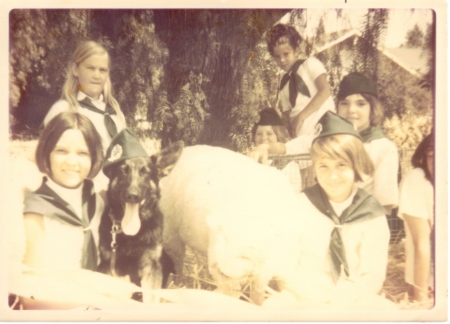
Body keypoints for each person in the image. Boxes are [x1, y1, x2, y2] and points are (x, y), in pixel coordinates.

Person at [249, 72, 399, 214]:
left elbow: (384, 204)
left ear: (373, 108)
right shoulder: (327, 137)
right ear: (337, 107)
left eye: (361, 104)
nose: (352, 110)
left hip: (362, 224)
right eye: (345, 104)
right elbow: (288, 148)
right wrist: (265, 146)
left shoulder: (383, 147)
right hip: (326, 219)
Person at [287, 111, 392, 307]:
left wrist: (352, 295)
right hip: (305, 297)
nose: (333, 176)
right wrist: (307, 293)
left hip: (352, 298)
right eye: (323, 166)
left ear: (356, 165)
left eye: (341, 165)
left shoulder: (371, 214)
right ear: (314, 167)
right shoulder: (301, 205)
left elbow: (373, 274)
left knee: (386, 309)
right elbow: (287, 263)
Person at [22, 112, 105, 272]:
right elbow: (31, 290)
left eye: (82, 153)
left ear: (94, 157)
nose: (72, 162)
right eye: (61, 151)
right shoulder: (35, 210)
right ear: (47, 153)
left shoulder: (99, 199)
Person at [43, 40, 126, 154]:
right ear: (75, 69)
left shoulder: (116, 114)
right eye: (90, 68)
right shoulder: (62, 110)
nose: (97, 76)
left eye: (102, 70)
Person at [266, 23, 335, 137]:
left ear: (296, 50)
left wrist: (301, 117)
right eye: (277, 56)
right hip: (302, 136)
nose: (282, 60)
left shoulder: (310, 64)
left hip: (324, 128)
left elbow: (325, 91)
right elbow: (288, 115)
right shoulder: (284, 84)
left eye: (286, 54)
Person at [398, 133, 434, 303]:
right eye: (430, 150)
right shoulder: (417, 180)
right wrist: (421, 299)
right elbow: (422, 243)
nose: (435, 156)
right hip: (433, 283)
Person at [252, 108, 301, 192]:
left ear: (278, 135)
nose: (263, 138)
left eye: (269, 134)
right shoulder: (251, 160)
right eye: (259, 134)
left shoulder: (288, 164)